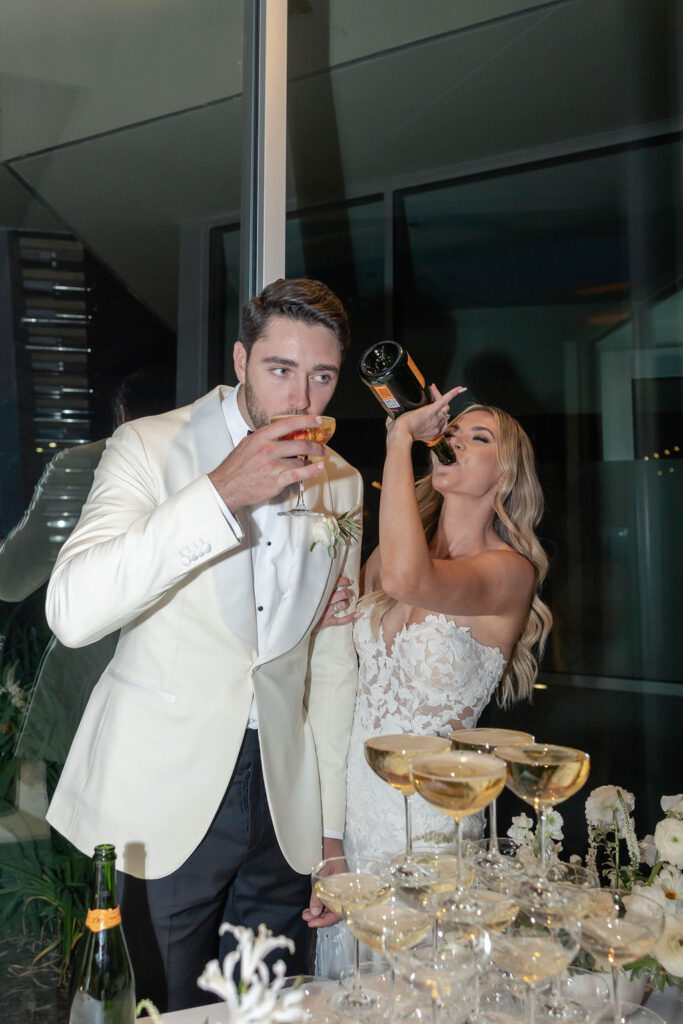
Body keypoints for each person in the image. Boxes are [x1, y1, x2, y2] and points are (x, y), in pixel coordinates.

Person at [44, 279, 363, 1011]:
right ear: (241, 359)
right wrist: (222, 492)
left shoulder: (342, 484)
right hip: (160, 800)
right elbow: (72, 610)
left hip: (283, 809)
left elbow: (329, 665)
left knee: (262, 1005)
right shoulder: (149, 447)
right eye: (280, 370)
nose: (301, 400)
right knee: (151, 1007)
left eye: (322, 377)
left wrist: (332, 833)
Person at [314, 388, 552, 974]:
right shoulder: (384, 560)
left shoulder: (508, 574)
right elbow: (342, 692)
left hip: (431, 828)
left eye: (481, 438)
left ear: (507, 473)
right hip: (352, 820)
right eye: (455, 432)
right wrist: (326, 842)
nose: (458, 441)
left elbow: (407, 575)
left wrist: (397, 439)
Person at [0, 367, 175, 767]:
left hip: (94, 676)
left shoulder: (84, 465)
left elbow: (11, 580)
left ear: (123, 415)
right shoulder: (213, 465)